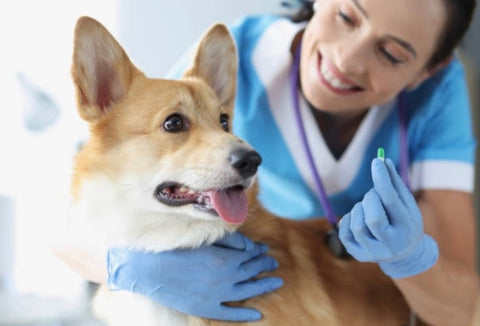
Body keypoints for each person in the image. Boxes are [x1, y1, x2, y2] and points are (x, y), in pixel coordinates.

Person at [55, 0, 480, 325]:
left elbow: (466, 307)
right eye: (347, 17)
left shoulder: (439, 96)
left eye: (390, 53)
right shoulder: (226, 60)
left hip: (342, 287)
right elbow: (91, 198)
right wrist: (129, 267)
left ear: (429, 69)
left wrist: (409, 257)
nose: (347, 60)